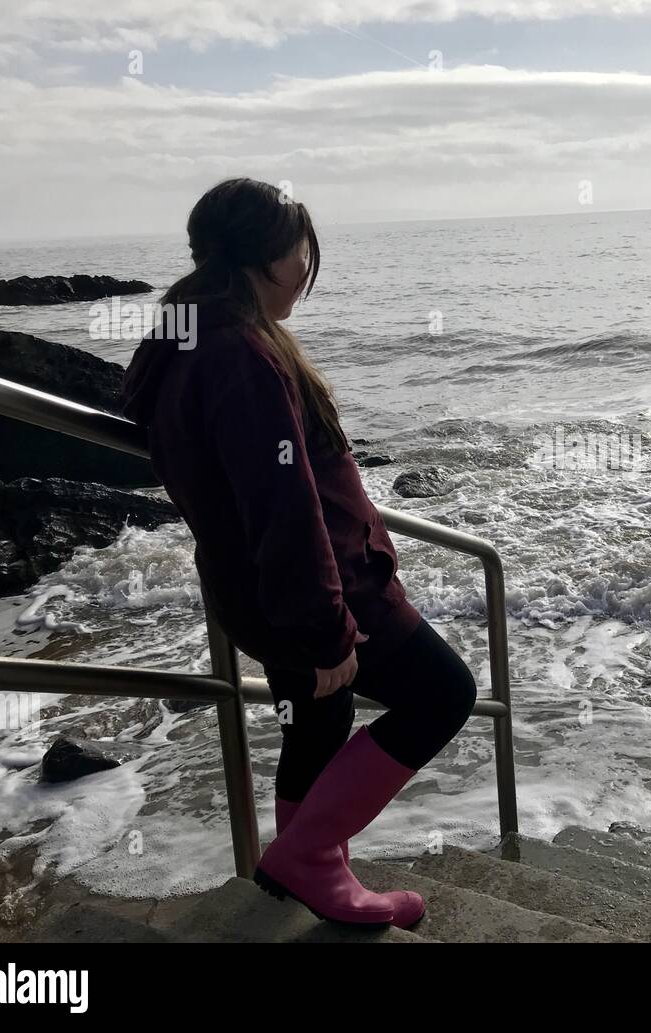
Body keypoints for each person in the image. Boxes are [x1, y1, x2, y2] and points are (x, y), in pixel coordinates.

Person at [120, 177, 477, 929]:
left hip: (255, 587)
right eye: (302, 251)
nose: (308, 269)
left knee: (318, 716)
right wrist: (326, 628)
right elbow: (283, 504)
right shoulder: (240, 353)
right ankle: (309, 856)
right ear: (274, 258)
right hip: (323, 589)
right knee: (444, 693)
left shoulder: (186, 336)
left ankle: (314, 867)